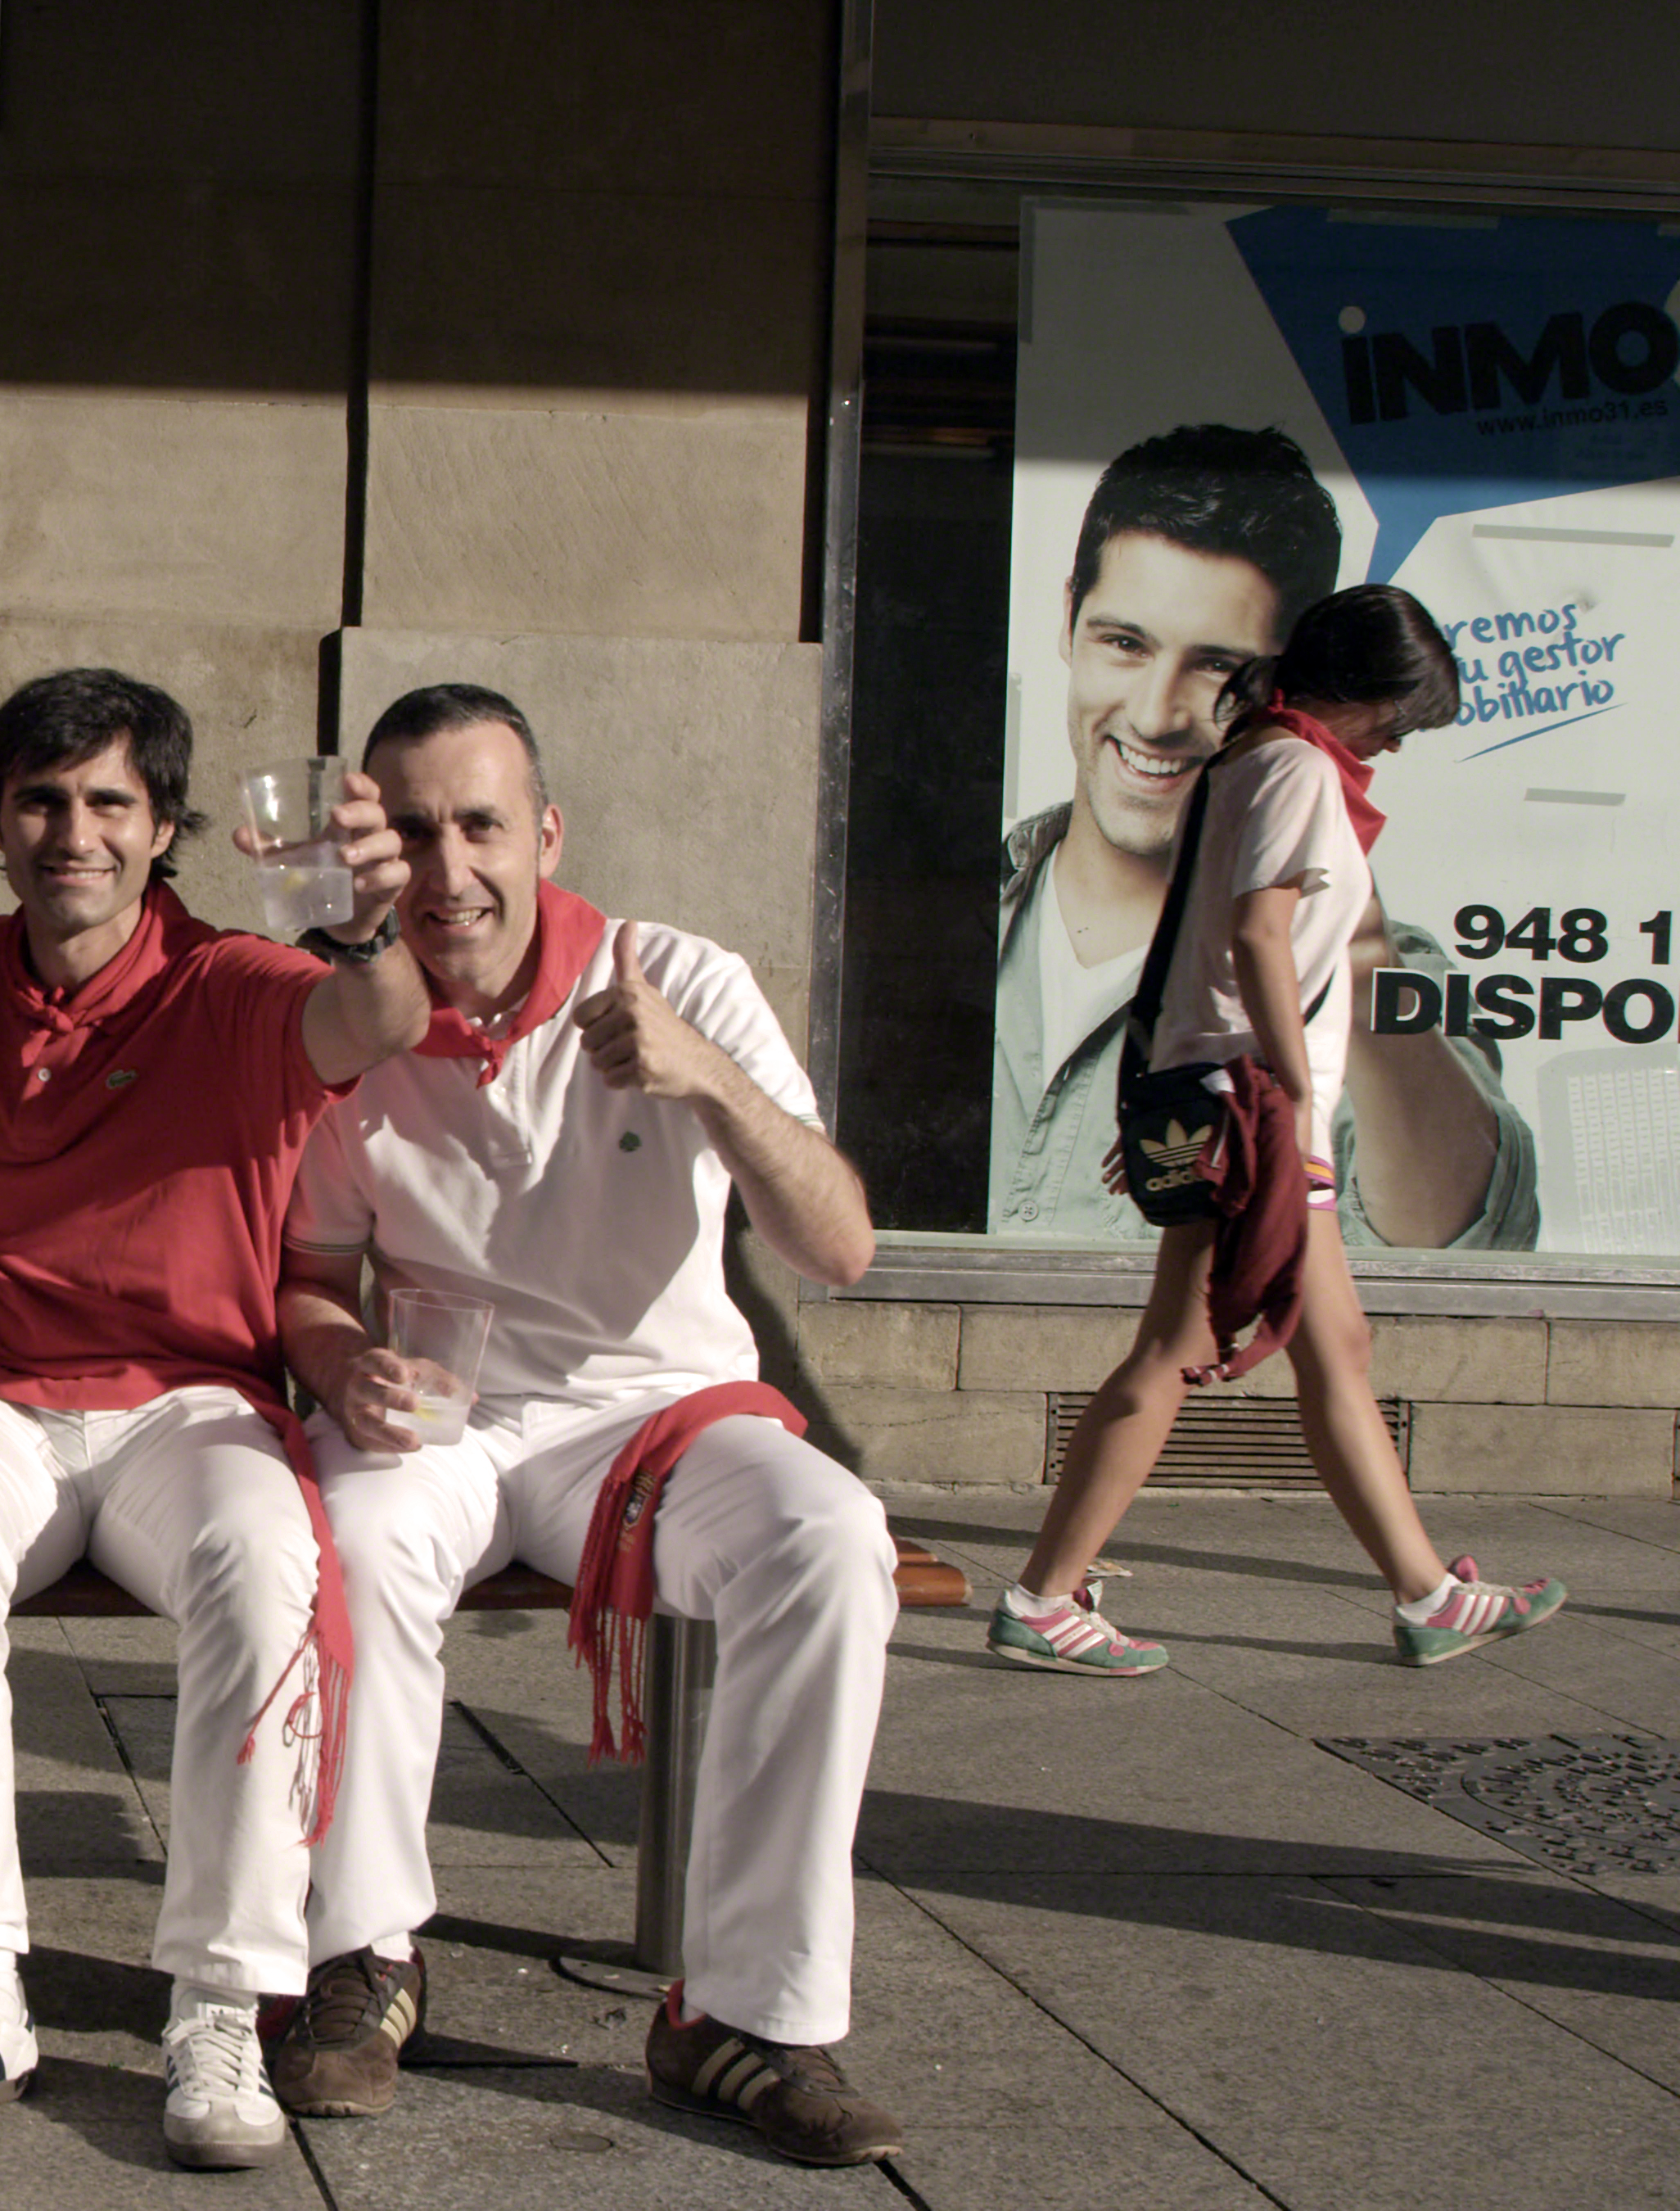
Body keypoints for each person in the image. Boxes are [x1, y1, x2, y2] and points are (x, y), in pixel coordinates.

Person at [277, 683, 908, 2168]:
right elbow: (306, 1277)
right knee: (349, 1535)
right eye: (413, 830)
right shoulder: (347, 1010)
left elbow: (839, 1248)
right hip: (444, 1411)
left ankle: (746, 2014)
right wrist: (342, 1358)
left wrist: (708, 1074)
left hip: (660, 1412)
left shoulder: (675, 973)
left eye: (481, 825)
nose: (448, 872)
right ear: (366, 844)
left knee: (832, 1537)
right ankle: (365, 1960)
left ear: (545, 833)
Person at [0, 667, 426, 2170]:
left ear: (164, 824)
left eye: (110, 801)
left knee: (266, 1563)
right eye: (41, 800)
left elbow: (375, 1019)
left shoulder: (235, 983)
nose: (73, 832)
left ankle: (225, 2002)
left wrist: (371, 914)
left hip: (193, 1401)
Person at [997, 589, 1569, 1678]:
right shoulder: (1299, 770)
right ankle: (1044, 1596)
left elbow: (1199, 940)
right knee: (1175, 1350)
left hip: (1226, 1089)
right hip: (1255, 1099)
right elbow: (1260, 933)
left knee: (1333, 1343)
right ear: (1364, 694)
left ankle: (1426, 1593)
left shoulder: (1253, 761)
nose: (1398, 745)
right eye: (1401, 720)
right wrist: (1296, 1095)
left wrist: (1189, 1090)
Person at [995, 423, 1533, 1248]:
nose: (1155, 716)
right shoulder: (958, 907)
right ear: (1069, 618)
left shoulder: (1371, 954)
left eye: (1217, 666)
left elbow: (1461, 1239)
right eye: (1126, 643)